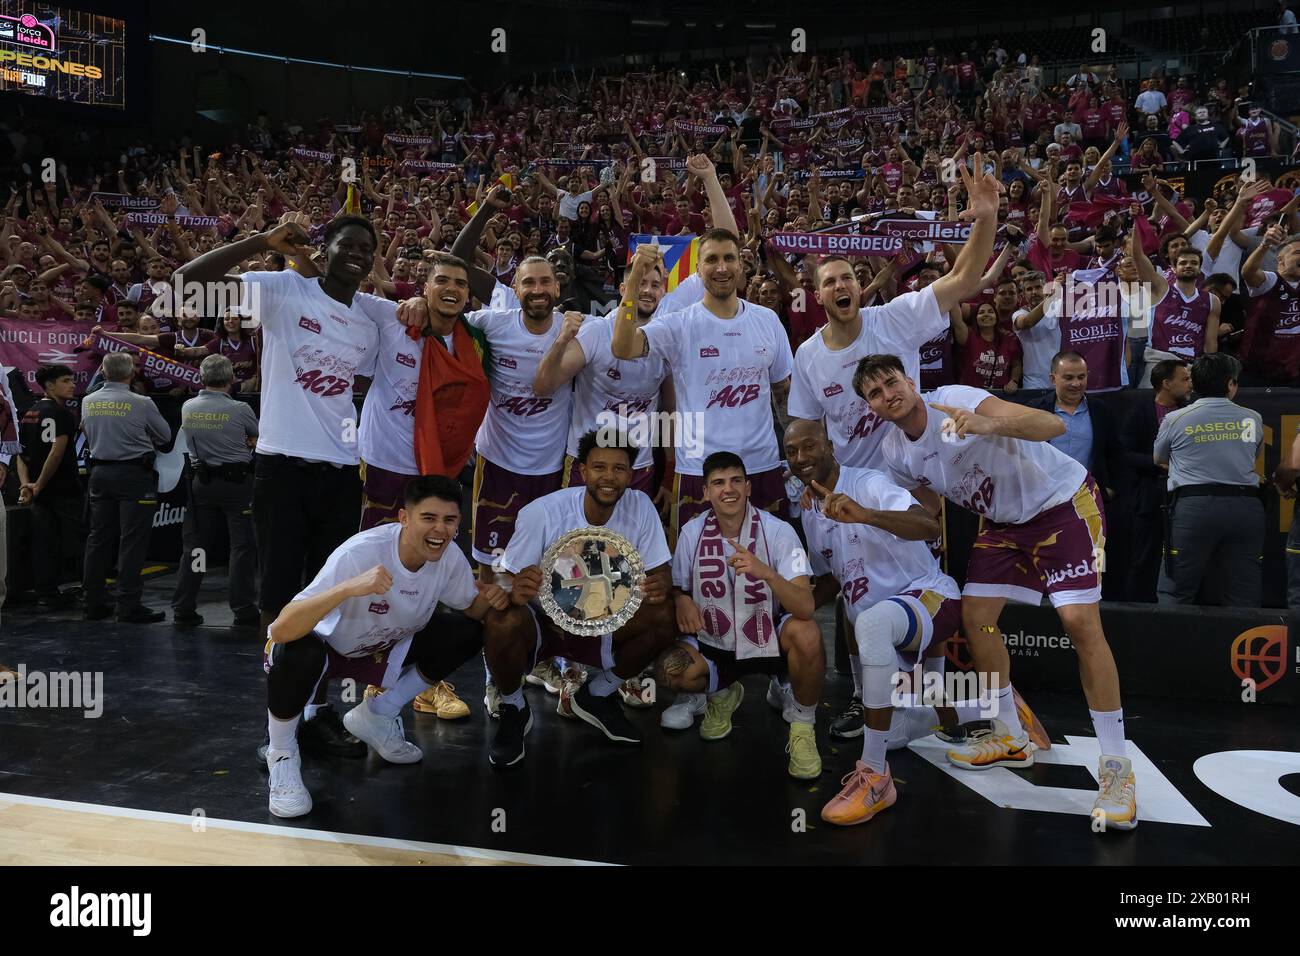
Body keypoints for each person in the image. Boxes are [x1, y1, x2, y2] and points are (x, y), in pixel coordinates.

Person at [854, 353, 1135, 831]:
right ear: (871, 408)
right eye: (875, 393)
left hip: (1060, 503)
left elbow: (1052, 426)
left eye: (891, 381)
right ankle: (1010, 734)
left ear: (909, 379)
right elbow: (924, 518)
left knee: (1079, 624)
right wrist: (867, 516)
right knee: (975, 617)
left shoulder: (956, 401)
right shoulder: (896, 453)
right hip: (1004, 525)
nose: (887, 394)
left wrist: (985, 425)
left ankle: (1116, 769)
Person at [183, 216, 384, 759]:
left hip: (342, 473)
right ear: (326, 247)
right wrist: (260, 243)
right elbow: (185, 285)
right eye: (348, 244)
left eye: (368, 249)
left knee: (329, 602)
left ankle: (316, 713)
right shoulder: (281, 290)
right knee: (278, 600)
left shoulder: (369, 317)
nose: (358, 255)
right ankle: (280, 727)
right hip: (281, 468)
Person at [783, 419, 1047, 824]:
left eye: (809, 447)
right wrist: (788, 609)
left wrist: (865, 515)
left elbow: (925, 524)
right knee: (896, 727)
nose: (801, 458)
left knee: (869, 622)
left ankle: (874, 777)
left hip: (929, 597)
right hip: (888, 628)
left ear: (830, 445)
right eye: (792, 452)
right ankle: (995, 705)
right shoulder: (810, 511)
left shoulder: (867, 483)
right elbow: (838, 578)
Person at [263, 476, 502, 817]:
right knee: (294, 650)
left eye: (449, 520)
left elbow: (473, 610)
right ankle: (283, 755)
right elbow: (282, 628)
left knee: (467, 631)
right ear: (404, 518)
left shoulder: (449, 559)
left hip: (385, 646)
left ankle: (380, 713)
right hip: (328, 649)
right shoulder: (359, 553)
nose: (440, 530)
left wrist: (502, 596)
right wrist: (348, 588)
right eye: (429, 518)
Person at [786, 153, 1003, 469]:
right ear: (818, 296)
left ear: (861, 287)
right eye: (830, 282)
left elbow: (963, 279)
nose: (841, 286)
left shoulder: (895, 318)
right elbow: (806, 426)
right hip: (854, 489)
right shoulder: (807, 356)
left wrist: (987, 217)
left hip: (916, 478)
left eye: (847, 278)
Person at [484, 430, 675, 767]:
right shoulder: (542, 512)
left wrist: (658, 587)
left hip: (605, 621)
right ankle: (513, 706)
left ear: (630, 476)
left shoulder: (641, 506)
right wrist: (514, 585)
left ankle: (597, 694)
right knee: (500, 620)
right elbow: (500, 576)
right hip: (543, 621)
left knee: (665, 614)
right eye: (599, 467)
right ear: (583, 471)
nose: (609, 477)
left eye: (619, 469)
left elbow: (661, 573)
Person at [355, 252, 487, 719]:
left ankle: (423, 681)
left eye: (460, 283)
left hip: (437, 474)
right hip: (387, 468)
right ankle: (376, 679)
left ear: (468, 296)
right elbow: (336, 288)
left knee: (427, 577)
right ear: (423, 287)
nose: (451, 288)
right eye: (441, 281)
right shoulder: (392, 319)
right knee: (381, 577)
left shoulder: (474, 340)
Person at [652, 451, 824, 780]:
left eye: (735, 481)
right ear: (705, 492)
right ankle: (722, 690)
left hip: (768, 640)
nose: (727, 489)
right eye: (717, 483)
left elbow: (806, 606)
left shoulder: (780, 531)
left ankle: (803, 728)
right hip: (714, 641)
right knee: (669, 671)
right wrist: (680, 598)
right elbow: (678, 587)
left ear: (748, 487)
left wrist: (768, 574)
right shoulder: (691, 532)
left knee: (807, 633)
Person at [611, 230, 794, 533]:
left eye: (729, 259)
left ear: (741, 265)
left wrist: (792, 457)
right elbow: (622, 347)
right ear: (698, 269)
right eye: (711, 259)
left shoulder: (768, 321)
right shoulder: (678, 324)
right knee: (701, 573)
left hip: (761, 466)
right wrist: (632, 284)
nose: (721, 268)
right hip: (699, 470)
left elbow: (782, 392)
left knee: (769, 570)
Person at [1155, 353, 1265, 607]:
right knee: (1243, 595)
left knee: (1176, 591)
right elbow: (1252, 455)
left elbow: (1159, 458)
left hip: (1194, 507)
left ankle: (1166, 646)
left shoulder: (1175, 418)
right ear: (1230, 384)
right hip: (1245, 507)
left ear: (1194, 383)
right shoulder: (1252, 418)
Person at [79, 352, 172, 623]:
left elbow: (86, 431)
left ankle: (92, 602)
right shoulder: (141, 402)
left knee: (98, 539)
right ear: (132, 373)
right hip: (133, 474)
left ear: (105, 373)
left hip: (99, 473)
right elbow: (165, 436)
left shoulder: (88, 401)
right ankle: (128, 604)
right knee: (132, 542)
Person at [170, 355, 260, 628]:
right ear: (232, 379)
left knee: (196, 548)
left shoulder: (189, 406)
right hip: (237, 484)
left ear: (201, 378)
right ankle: (243, 609)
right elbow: (258, 438)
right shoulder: (240, 408)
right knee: (242, 547)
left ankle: (184, 606)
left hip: (202, 483)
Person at [1119, 359, 1191, 602]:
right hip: (1150, 496)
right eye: (1184, 378)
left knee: (1183, 558)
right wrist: (1157, 462)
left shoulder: (1191, 411)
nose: (1190, 383)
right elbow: (1124, 453)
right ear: (1166, 383)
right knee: (1144, 557)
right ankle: (1136, 613)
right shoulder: (1140, 411)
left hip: (1185, 495)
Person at [15, 364, 84, 608]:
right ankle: (88, 590)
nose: (73, 384)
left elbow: (19, 456)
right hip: (62, 489)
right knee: (80, 540)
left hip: (38, 493)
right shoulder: (62, 413)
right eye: (66, 380)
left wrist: (27, 486)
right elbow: (57, 452)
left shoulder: (28, 413)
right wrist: (40, 485)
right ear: (49, 385)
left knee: (44, 543)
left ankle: (47, 592)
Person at [1025, 352, 1120, 500]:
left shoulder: (1101, 411)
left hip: (1088, 497)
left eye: (1081, 377)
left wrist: (1110, 489)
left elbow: (1115, 454)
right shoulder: (1034, 410)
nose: (1076, 384)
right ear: (1053, 379)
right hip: (1042, 497)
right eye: (1068, 378)